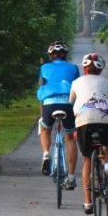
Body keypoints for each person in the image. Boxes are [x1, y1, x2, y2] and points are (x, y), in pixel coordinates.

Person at [69, 53, 108, 215]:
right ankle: (107, 163)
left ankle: (88, 203)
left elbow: (72, 102)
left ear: (84, 68)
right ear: (101, 70)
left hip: (84, 123)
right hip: (105, 121)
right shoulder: (107, 83)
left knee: (87, 159)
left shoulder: (76, 82)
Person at [37, 41, 80, 189]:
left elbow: (42, 89)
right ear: (66, 56)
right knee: (70, 138)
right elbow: (77, 90)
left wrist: (42, 112)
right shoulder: (73, 68)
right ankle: (72, 176)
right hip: (68, 104)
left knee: (45, 129)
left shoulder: (44, 68)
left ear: (50, 56)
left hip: (49, 104)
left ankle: (46, 154)